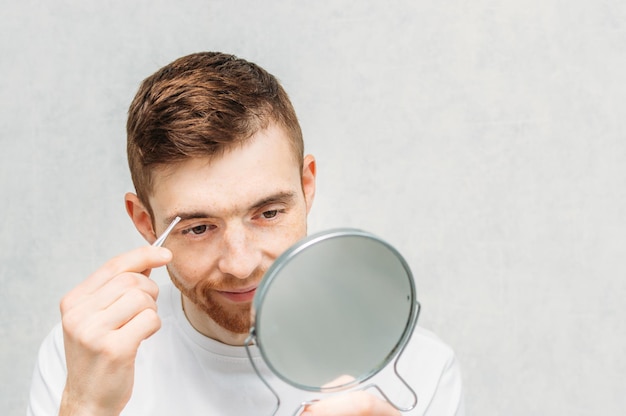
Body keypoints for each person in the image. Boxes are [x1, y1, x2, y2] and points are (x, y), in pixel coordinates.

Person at [27, 51, 465, 415]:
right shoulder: (87, 357)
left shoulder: (418, 368)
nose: (240, 264)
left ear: (306, 186)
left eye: (268, 213)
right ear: (145, 223)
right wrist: (84, 407)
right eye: (199, 227)